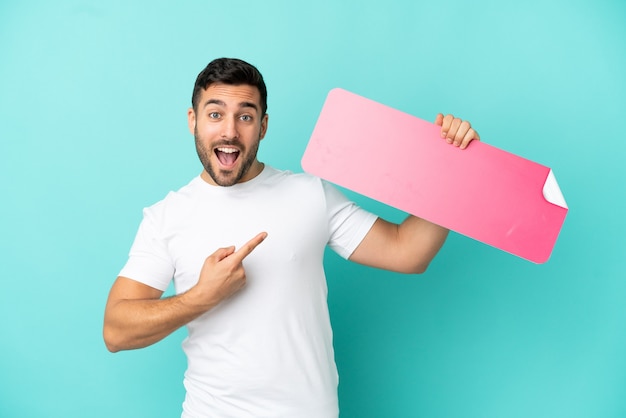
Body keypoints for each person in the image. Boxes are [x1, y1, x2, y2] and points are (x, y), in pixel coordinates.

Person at [103, 57, 480, 418]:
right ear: (193, 120)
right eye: (215, 114)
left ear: (263, 126)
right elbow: (116, 330)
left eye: (245, 116)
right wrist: (201, 297)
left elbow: (407, 251)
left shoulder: (310, 194)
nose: (230, 130)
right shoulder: (166, 216)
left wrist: (450, 166)